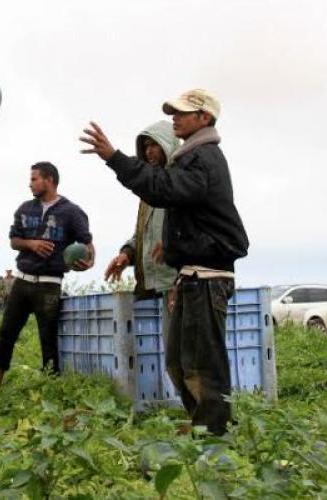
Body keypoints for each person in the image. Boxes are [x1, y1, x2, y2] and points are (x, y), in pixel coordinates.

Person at [80, 89, 248, 436]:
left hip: (208, 275)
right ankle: (202, 421)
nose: (175, 117)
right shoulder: (190, 159)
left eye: (183, 113)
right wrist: (170, 256)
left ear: (204, 118)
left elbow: (166, 190)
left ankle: (213, 433)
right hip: (189, 275)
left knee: (202, 362)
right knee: (178, 362)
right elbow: (179, 210)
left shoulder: (203, 157)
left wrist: (114, 157)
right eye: (173, 112)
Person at [0, 162, 94, 395]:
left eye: (34, 179)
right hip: (22, 281)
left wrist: (89, 261)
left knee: (48, 338)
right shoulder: (24, 209)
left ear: (49, 180)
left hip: (49, 285)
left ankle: (50, 387)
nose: (30, 183)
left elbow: (87, 243)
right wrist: (31, 243)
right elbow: (14, 240)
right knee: (6, 332)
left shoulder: (71, 211)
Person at [104, 121, 179, 300]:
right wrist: (126, 254)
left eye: (154, 145)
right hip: (149, 286)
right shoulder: (149, 192)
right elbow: (144, 235)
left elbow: (189, 234)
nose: (148, 152)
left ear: (168, 145)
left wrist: (178, 284)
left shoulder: (180, 185)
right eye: (146, 147)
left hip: (173, 285)